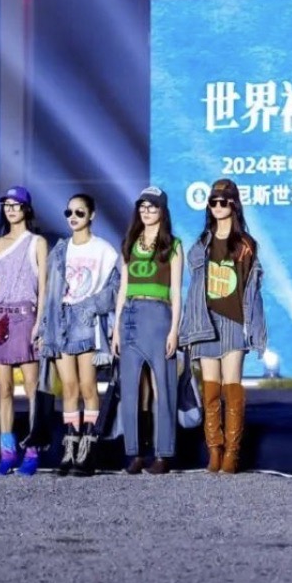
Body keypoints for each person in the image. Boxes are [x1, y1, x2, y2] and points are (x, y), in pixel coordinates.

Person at [179, 179, 266, 475]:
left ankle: (232, 452)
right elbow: (193, 286)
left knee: (232, 388)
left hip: (234, 321)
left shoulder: (246, 244)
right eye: (213, 202)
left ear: (234, 204)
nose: (217, 206)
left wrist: (254, 328)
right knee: (210, 390)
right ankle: (214, 450)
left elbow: (252, 289)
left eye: (223, 201)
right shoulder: (202, 244)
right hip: (206, 320)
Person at [39, 193, 119, 477]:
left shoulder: (104, 250)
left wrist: (91, 306)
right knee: (69, 388)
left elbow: (114, 289)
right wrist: (44, 326)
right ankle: (70, 448)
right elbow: (49, 292)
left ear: (92, 215)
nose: (73, 217)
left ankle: (89, 448)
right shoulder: (60, 250)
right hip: (61, 321)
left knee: (88, 387)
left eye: (80, 212)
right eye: (69, 212)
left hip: (86, 321)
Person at [111, 186, 183, 475]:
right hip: (130, 314)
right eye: (143, 206)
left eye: (153, 206)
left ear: (162, 211)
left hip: (159, 316)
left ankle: (163, 454)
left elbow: (176, 291)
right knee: (131, 388)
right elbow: (122, 289)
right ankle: (135, 452)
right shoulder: (129, 242)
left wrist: (174, 330)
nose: (147, 211)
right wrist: (116, 329)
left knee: (161, 386)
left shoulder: (173, 245)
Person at [0, 186, 48, 476]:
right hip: (0, 319)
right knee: (4, 389)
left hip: (25, 315)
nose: (11, 209)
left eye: (16, 205)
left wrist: (40, 321)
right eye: (7, 205)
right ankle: (7, 452)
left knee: (33, 387)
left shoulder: (37, 242)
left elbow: (44, 285)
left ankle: (33, 451)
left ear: (26, 209)